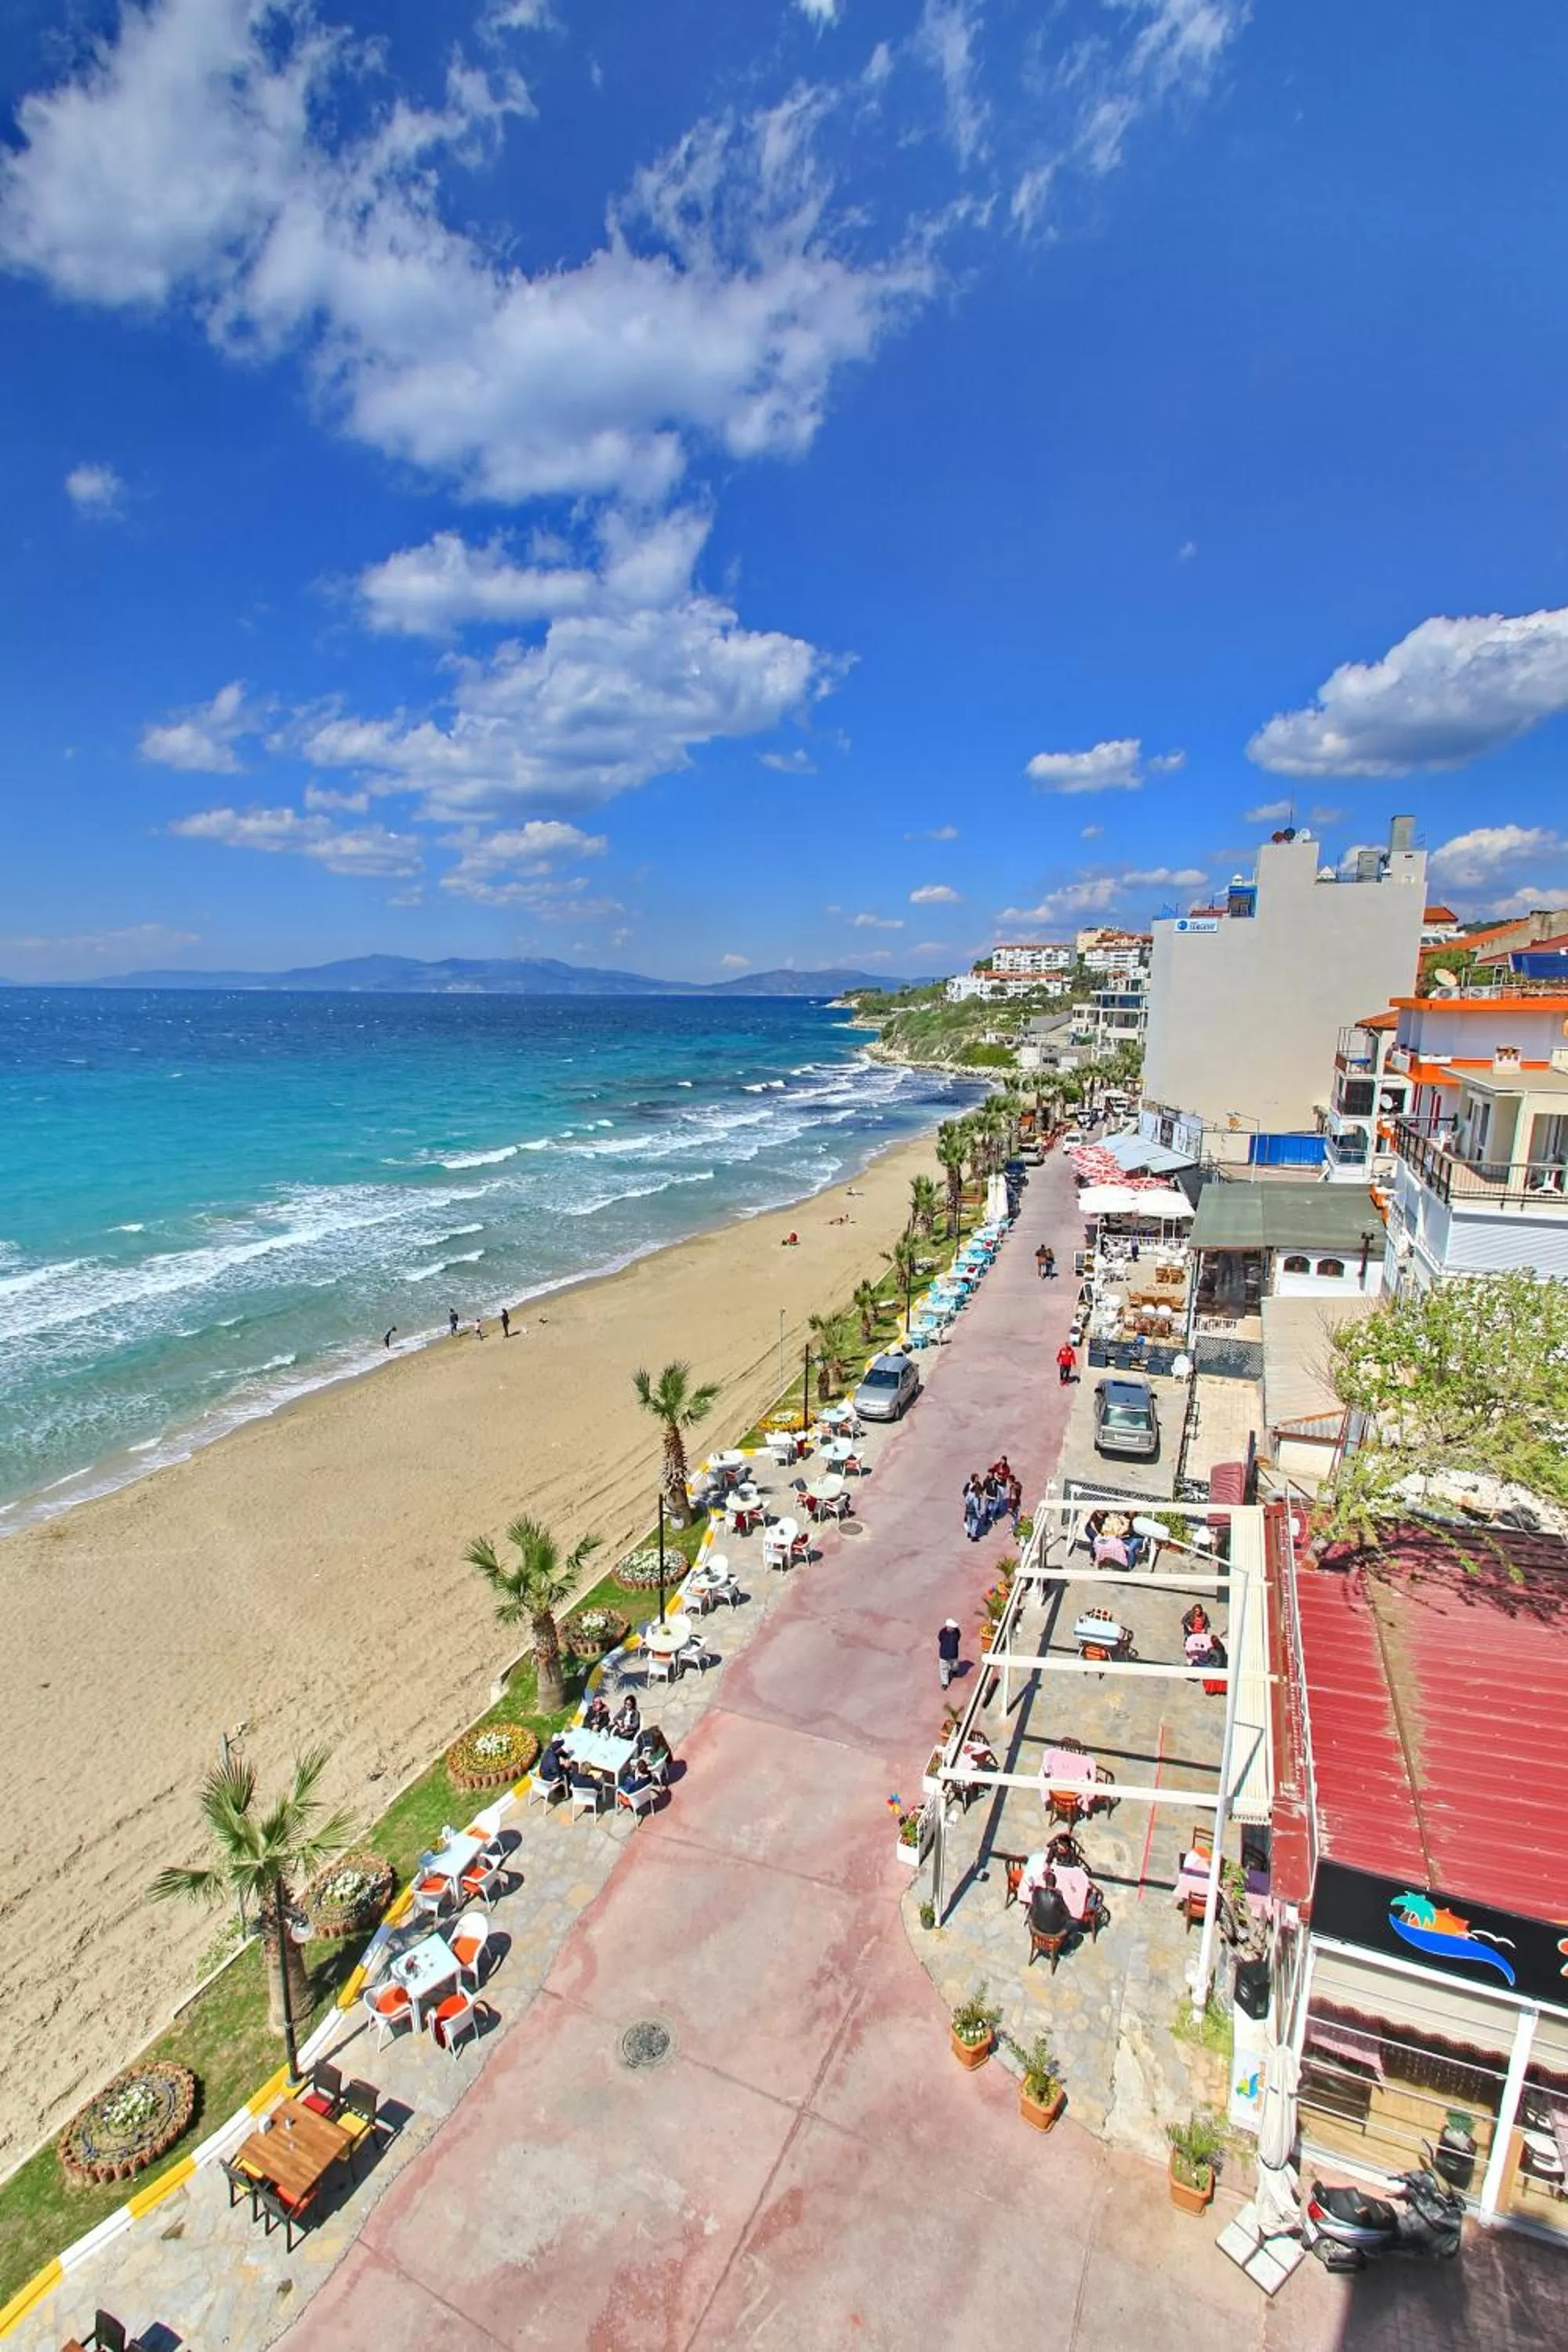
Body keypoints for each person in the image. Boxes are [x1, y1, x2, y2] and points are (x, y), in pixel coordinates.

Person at [938, 1617, 961, 1688]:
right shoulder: (942, 1632)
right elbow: (940, 1638)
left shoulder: (957, 1632)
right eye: (952, 1628)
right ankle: (945, 1683)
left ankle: (954, 1670)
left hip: (954, 1654)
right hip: (944, 1655)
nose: (954, 1629)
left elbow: (958, 1638)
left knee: (955, 1665)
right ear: (948, 1627)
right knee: (943, 1669)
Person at [962, 1476, 983, 1542]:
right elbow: (976, 1506)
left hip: (968, 1510)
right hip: (973, 1511)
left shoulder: (969, 1495)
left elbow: (966, 1501)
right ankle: (973, 1536)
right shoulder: (975, 1497)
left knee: (969, 1522)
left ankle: (969, 1533)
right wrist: (978, 1513)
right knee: (975, 1523)